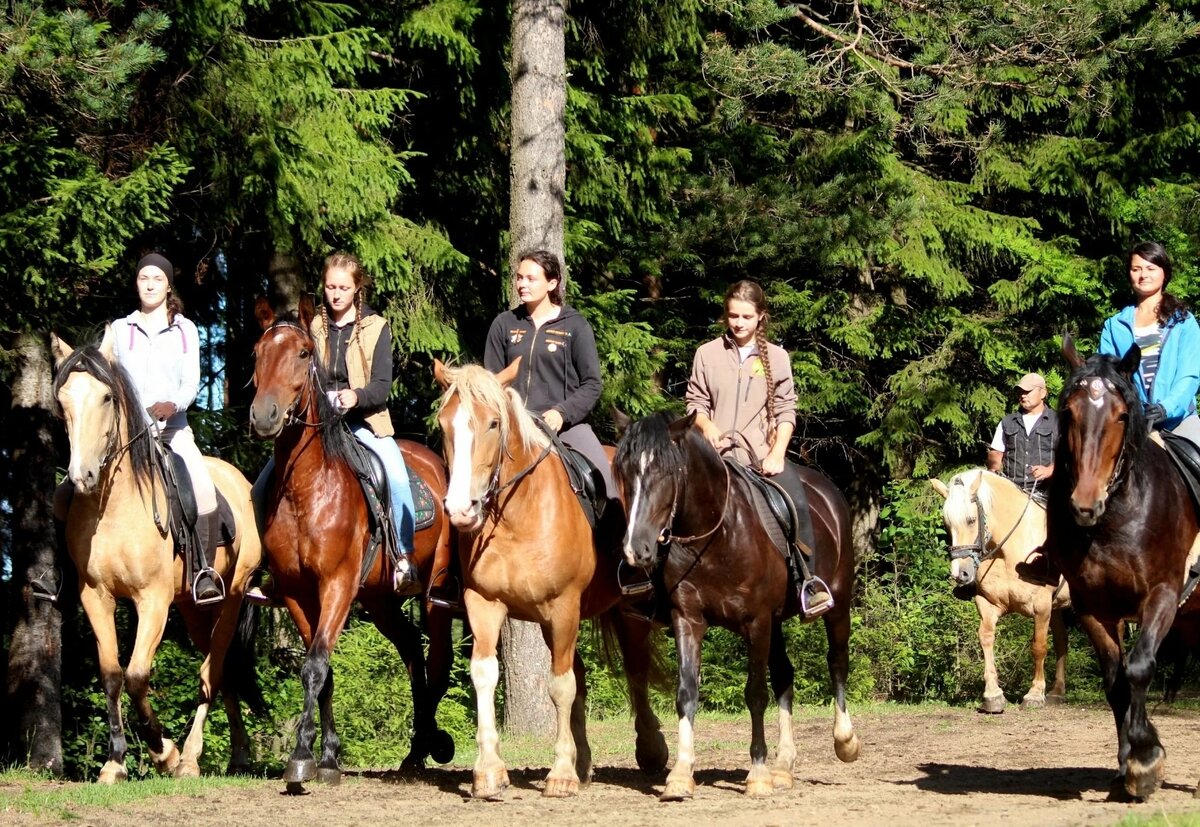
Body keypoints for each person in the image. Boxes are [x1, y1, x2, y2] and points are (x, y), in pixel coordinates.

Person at [252, 252, 420, 597]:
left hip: (365, 423)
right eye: (330, 286)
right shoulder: (312, 327)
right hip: (317, 425)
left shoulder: (376, 328)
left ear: (357, 288)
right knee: (260, 488)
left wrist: (355, 397)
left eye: (344, 287)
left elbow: (382, 385)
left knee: (397, 476)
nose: (336, 293)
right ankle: (267, 567)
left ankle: (404, 558)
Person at [482, 250, 644, 593]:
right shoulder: (503, 325)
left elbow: (592, 384)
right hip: (513, 432)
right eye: (519, 278)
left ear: (552, 283)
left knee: (607, 486)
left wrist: (562, 413)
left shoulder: (574, 326)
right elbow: (489, 383)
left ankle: (623, 569)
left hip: (567, 428)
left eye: (531, 278)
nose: (522, 284)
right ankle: (459, 572)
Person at [685, 279, 832, 617]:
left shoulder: (777, 358)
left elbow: (785, 410)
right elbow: (695, 402)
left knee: (796, 503)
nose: (738, 323)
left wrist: (778, 452)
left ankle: (807, 582)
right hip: (714, 459)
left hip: (761, 459)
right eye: (733, 316)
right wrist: (708, 429)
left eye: (746, 317)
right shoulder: (706, 354)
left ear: (760, 318)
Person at [1098, 241, 1200, 444]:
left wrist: (1166, 408)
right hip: (1131, 423)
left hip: (1179, 422)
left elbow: (1190, 375)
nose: (1143, 275)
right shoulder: (1113, 326)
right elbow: (1106, 378)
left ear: (1164, 273)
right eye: (1136, 269)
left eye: (1151, 268)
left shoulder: (1184, 322)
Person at [987, 372, 1057, 503]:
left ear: (1043, 393)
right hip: (1012, 494)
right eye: (1020, 391)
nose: (1023, 395)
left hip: (1048, 496)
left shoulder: (1059, 422)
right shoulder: (1007, 422)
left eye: (1028, 391)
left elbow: (1071, 458)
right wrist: (993, 475)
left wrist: (1050, 470)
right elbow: (996, 453)